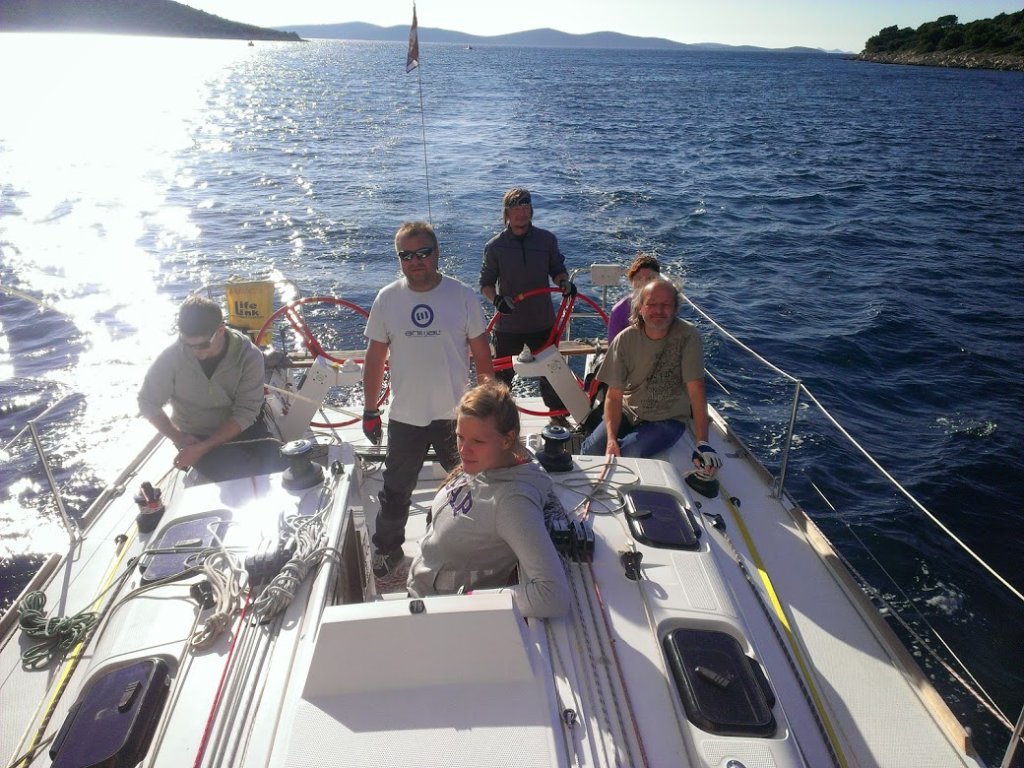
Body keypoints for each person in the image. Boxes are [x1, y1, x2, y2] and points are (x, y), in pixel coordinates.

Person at [363, 221, 494, 578]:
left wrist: (489, 408)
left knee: (466, 487)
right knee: (395, 490)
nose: (415, 261)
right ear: (399, 260)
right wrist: (370, 409)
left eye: (423, 252)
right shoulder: (387, 298)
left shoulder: (462, 295)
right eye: (406, 255)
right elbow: (374, 358)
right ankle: (387, 549)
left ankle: (456, 548)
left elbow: (483, 356)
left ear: (437, 253)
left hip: (457, 416)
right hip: (405, 416)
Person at [407, 380, 570, 619]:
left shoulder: (512, 503)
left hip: (441, 612)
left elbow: (552, 595)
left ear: (507, 440)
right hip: (423, 591)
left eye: (477, 441)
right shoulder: (488, 463)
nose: (464, 450)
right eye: (461, 437)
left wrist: (474, 600)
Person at [581, 277, 722, 475]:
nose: (659, 310)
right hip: (629, 411)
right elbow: (614, 396)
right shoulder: (625, 340)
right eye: (652, 304)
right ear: (640, 308)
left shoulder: (688, 337)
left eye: (666, 304)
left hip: (668, 418)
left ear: (675, 309)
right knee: (591, 450)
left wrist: (703, 442)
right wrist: (611, 440)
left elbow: (696, 390)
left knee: (629, 453)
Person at [138, 295, 281, 482]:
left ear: (220, 330)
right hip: (196, 436)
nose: (195, 351)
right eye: (187, 344)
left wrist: (203, 448)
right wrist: (180, 438)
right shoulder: (170, 358)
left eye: (202, 345)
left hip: (246, 430)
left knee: (281, 469)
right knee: (239, 473)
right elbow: (147, 402)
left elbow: (246, 412)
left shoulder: (249, 356)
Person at [480, 187, 576, 421]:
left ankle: (558, 417)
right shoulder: (495, 246)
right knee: (501, 378)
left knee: (552, 374)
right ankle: (496, 420)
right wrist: (497, 300)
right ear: (506, 212)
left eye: (526, 207)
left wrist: (564, 283)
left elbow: (557, 270)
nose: (521, 212)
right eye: (515, 208)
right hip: (508, 326)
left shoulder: (547, 240)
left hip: (542, 323)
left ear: (531, 210)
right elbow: (486, 284)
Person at [607, 253, 661, 342]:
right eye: (639, 278)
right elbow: (613, 345)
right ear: (631, 281)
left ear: (658, 280)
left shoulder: (667, 306)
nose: (644, 283)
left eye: (650, 278)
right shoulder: (619, 311)